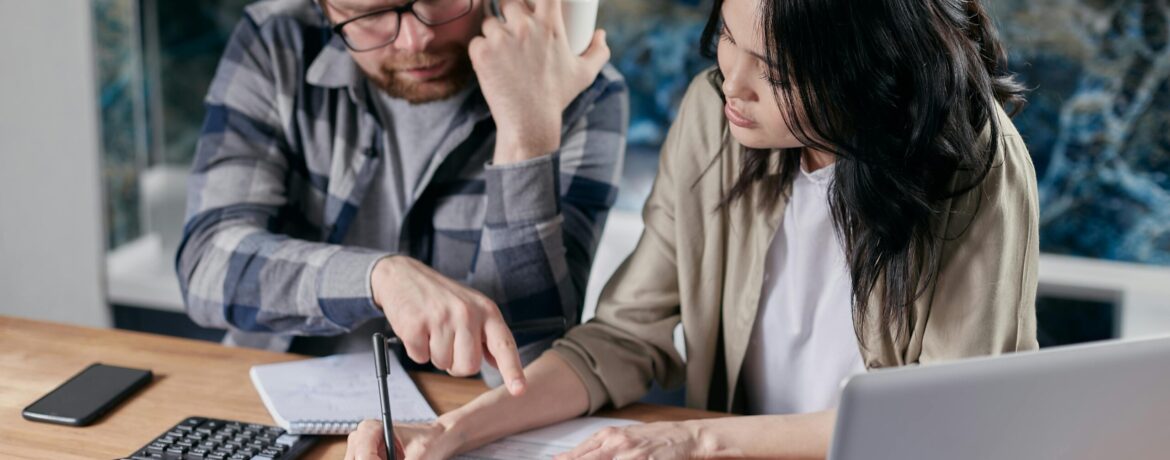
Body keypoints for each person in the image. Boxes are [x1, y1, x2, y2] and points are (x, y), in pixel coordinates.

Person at [345, 0, 1041, 457]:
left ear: (867, 71)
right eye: (727, 43)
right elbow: (622, 336)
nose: (730, 83)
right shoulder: (713, 116)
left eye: (770, 71)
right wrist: (457, 431)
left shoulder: (975, 163)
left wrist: (698, 442)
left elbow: (948, 420)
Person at [176, 0, 627, 394]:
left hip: (465, 424)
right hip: (273, 392)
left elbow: (527, 369)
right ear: (323, 6)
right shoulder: (277, 41)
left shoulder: (581, 88)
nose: (416, 39)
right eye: (369, 14)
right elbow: (206, 266)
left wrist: (525, 136)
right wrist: (378, 279)